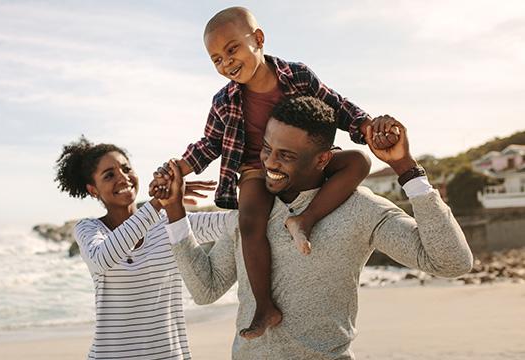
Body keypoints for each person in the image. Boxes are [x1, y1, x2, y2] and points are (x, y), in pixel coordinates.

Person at [155, 96, 473, 359]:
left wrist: (405, 168)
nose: (269, 163)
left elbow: (452, 262)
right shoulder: (254, 211)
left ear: (323, 159)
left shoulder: (359, 208)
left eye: (286, 155)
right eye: (266, 149)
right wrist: (175, 212)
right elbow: (206, 289)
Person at [152, 6, 398, 339]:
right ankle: (265, 308)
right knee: (250, 220)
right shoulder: (224, 101)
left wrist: (367, 126)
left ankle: (305, 220)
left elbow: (337, 106)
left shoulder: (298, 76)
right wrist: (178, 167)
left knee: (358, 163)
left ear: (258, 39)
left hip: (303, 163)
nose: (226, 63)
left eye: (231, 49)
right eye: (216, 60)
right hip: (256, 168)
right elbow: (209, 144)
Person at [53, 136, 228, 360]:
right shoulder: (89, 229)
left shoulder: (171, 221)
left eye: (126, 169)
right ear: (93, 189)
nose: (123, 178)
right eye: (109, 175)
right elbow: (102, 258)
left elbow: (235, 224)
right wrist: (158, 202)